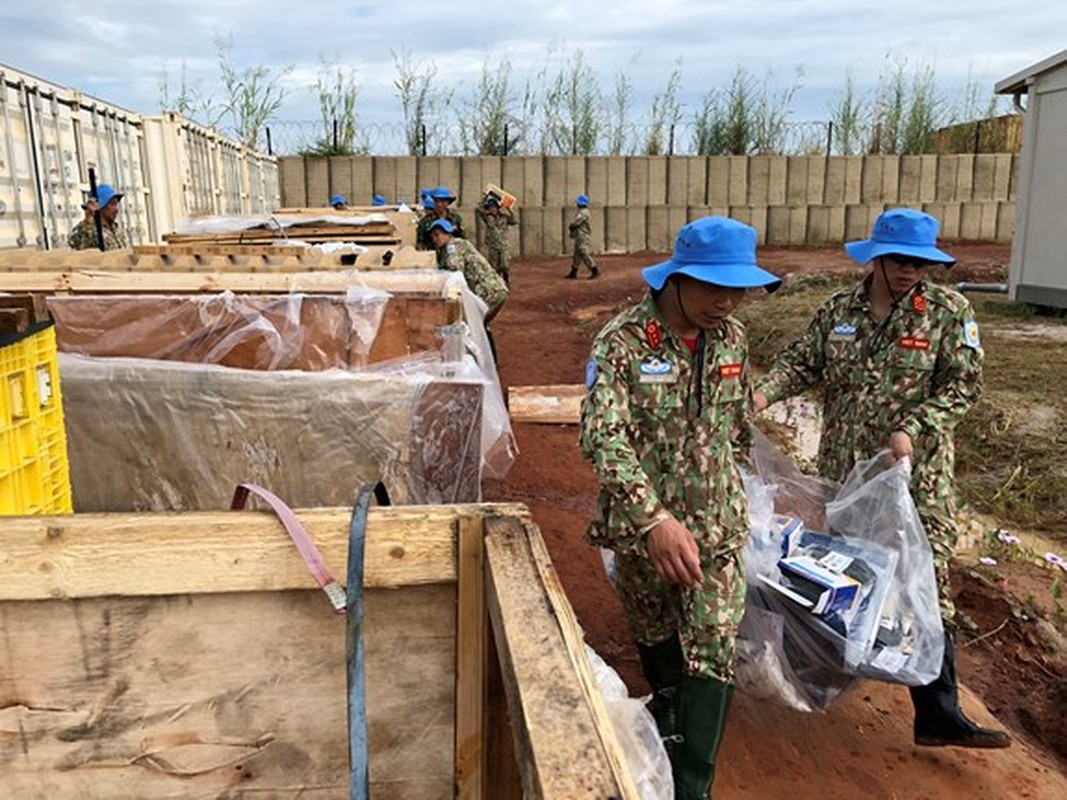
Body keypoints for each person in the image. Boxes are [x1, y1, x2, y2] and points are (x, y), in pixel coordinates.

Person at [753, 207, 1010, 750]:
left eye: (920, 262)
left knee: (927, 582)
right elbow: (803, 361)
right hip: (847, 477)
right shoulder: (840, 310)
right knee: (850, 578)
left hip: (913, 480)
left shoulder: (947, 311)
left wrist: (914, 428)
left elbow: (964, 388)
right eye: (898, 260)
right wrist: (764, 393)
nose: (909, 270)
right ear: (875, 257)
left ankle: (938, 712)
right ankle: (816, 675)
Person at [580, 216, 781, 799]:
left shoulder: (733, 340)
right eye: (714, 287)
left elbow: (733, 423)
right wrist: (654, 521)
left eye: (738, 289)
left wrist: (762, 495)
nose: (727, 302)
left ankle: (693, 786)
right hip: (645, 528)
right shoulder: (620, 343)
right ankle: (667, 716)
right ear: (676, 277)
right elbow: (603, 436)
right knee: (652, 624)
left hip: (718, 524)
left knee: (714, 640)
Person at [428, 218, 507, 324]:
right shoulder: (455, 245)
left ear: (448, 234)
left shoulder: (453, 246)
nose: (435, 239)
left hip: (488, 291)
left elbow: (455, 271)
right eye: (433, 236)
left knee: (471, 325)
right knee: (478, 326)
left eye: (438, 235)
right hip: (494, 290)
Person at [67, 184, 128, 251]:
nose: (116, 209)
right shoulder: (90, 229)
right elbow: (74, 242)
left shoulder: (117, 229)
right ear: (100, 207)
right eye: (112, 204)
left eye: (116, 204)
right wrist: (88, 219)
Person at [475, 194, 518, 285]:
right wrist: (485, 197)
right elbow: (478, 209)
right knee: (494, 267)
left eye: (494, 207)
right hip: (493, 245)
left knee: (504, 265)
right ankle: (498, 283)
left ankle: (506, 277)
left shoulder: (504, 218)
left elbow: (514, 221)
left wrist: (509, 209)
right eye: (490, 208)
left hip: (504, 245)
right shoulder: (488, 218)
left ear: (498, 208)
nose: (492, 209)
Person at [567, 194, 598, 279]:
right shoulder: (581, 212)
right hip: (579, 235)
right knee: (577, 254)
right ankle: (573, 272)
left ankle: (594, 269)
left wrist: (572, 226)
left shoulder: (584, 212)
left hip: (583, 235)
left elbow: (577, 223)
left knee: (583, 252)